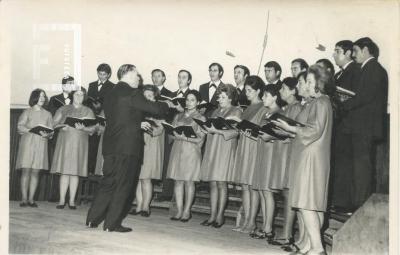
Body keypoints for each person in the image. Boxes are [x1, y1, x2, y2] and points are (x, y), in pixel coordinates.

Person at [86, 64, 172, 233]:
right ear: (128, 74)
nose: (139, 79)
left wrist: (136, 123)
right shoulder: (132, 92)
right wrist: (168, 105)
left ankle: (92, 219)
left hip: (111, 145)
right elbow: (154, 108)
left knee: (108, 183)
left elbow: (120, 117)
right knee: (123, 185)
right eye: (136, 75)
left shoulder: (110, 93)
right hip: (127, 147)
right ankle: (112, 224)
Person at [273, 64, 334, 255]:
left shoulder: (321, 102)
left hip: (311, 158)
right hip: (309, 156)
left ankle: (317, 247)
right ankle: (309, 245)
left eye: (309, 81)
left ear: (320, 83)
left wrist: (291, 129)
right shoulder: (318, 102)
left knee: (307, 205)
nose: (306, 85)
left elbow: (313, 130)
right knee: (311, 205)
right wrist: (288, 130)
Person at [341, 37, 388, 212]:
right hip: (362, 127)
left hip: (365, 127)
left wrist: (343, 105)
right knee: (359, 167)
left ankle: (360, 206)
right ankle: (357, 204)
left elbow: (363, 97)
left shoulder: (373, 69)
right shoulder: (368, 68)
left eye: (355, 51)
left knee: (362, 168)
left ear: (365, 50)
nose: (353, 55)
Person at [200, 84, 242, 228]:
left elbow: (236, 132)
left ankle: (220, 216)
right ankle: (212, 215)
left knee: (221, 182)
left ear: (231, 98)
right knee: (212, 182)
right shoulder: (215, 111)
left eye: (223, 97)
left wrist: (217, 131)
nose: (220, 99)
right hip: (213, 146)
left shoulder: (236, 111)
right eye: (219, 96)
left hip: (225, 147)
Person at [267, 77, 303, 248]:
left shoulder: (297, 107)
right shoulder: (287, 107)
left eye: (283, 88)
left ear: (293, 90)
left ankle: (287, 235)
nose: (280, 91)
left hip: (290, 153)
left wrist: (277, 131)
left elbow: (293, 132)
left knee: (289, 194)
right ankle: (285, 233)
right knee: (284, 193)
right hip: (281, 152)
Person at [230, 75, 266, 233]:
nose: (247, 93)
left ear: (258, 91)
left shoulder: (263, 107)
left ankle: (252, 221)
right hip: (244, 146)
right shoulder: (247, 108)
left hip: (254, 147)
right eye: (246, 90)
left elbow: (261, 130)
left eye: (250, 90)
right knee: (245, 185)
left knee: (252, 186)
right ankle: (245, 221)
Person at [51, 87, 97, 210]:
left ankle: (71, 201)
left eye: (81, 95)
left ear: (84, 97)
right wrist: (61, 126)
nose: (79, 97)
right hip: (65, 142)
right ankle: (61, 200)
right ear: (72, 95)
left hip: (80, 143)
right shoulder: (63, 108)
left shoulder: (88, 111)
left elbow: (93, 129)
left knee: (75, 172)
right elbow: (53, 124)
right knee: (65, 171)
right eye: (77, 94)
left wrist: (84, 129)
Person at [247, 84, 283, 241]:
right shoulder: (266, 113)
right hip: (262, 151)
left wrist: (269, 136)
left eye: (266, 95)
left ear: (275, 97)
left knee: (267, 192)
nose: (263, 98)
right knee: (261, 190)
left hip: (271, 154)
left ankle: (268, 228)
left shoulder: (279, 113)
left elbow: (281, 136)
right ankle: (264, 226)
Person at [330, 40, 362, 214]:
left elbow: (356, 97)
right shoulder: (337, 75)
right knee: (339, 164)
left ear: (348, 53)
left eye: (337, 51)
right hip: (339, 124)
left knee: (345, 165)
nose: (334, 54)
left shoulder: (356, 71)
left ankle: (345, 203)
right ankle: (338, 201)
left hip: (349, 125)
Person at [167, 90, 206, 222]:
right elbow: (171, 134)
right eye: (187, 100)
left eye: (192, 100)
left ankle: (187, 211)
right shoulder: (178, 116)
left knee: (189, 182)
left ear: (198, 102)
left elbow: (201, 139)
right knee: (178, 181)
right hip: (177, 150)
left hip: (191, 152)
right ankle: (179, 210)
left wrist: (185, 137)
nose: (189, 103)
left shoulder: (201, 118)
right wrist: (172, 133)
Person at [132, 85, 166, 217]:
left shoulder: (159, 112)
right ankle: (138, 206)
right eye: (145, 96)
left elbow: (159, 130)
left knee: (146, 178)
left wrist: (147, 126)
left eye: (150, 96)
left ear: (155, 98)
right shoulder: (137, 111)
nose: (147, 98)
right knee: (138, 178)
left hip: (150, 146)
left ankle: (146, 207)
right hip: (138, 145)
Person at [16, 89, 53, 207]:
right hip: (28, 143)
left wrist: (47, 135)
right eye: (40, 96)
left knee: (36, 172)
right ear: (34, 98)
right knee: (26, 170)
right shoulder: (27, 111)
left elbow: (51, 132)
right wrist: (30, 130)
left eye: (44, 96)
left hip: (41, 143)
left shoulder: (48, 114)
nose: (42, 98)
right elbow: (20, 127)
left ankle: (31, 199)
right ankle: (24, 198)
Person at [86, 63, 115, 175]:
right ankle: (89, 171)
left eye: (104, 74)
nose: (101, 76)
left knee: (99, 147)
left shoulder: (113, 86)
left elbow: (111, 104)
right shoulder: (91, 85)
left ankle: (96, 172)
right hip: (92, 118)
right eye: (99, 74)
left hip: (103, 119)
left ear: (108, 75)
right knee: (90, 147)